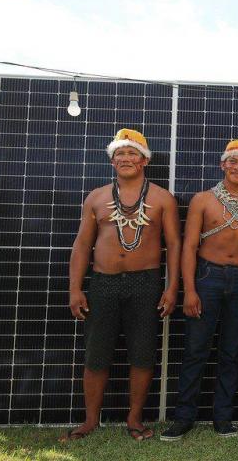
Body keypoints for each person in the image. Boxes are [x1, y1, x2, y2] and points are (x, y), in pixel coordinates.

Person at [64, 128, 180, 442]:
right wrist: (75, 288)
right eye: (120, 154)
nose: (126, 158)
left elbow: (174, 246)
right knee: (96, 354)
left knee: (142, 353)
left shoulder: (161, 198)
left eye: (132, 153)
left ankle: (135, 420)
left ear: (144, 160)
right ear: (113, 161)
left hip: (146, 283)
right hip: (103, 283)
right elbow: (81, 245)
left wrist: (171, 289)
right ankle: (90, 421)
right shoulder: (97, 197)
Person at [161, 140, 238, 441]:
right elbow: (189, 246)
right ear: (223, 165)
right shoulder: (203, 200)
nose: (237, 167)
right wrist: (189, 290)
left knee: (231, 352)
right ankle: (183, 418)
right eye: (232, 161)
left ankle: (223, 418)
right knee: (195, 349)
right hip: (207, 277)